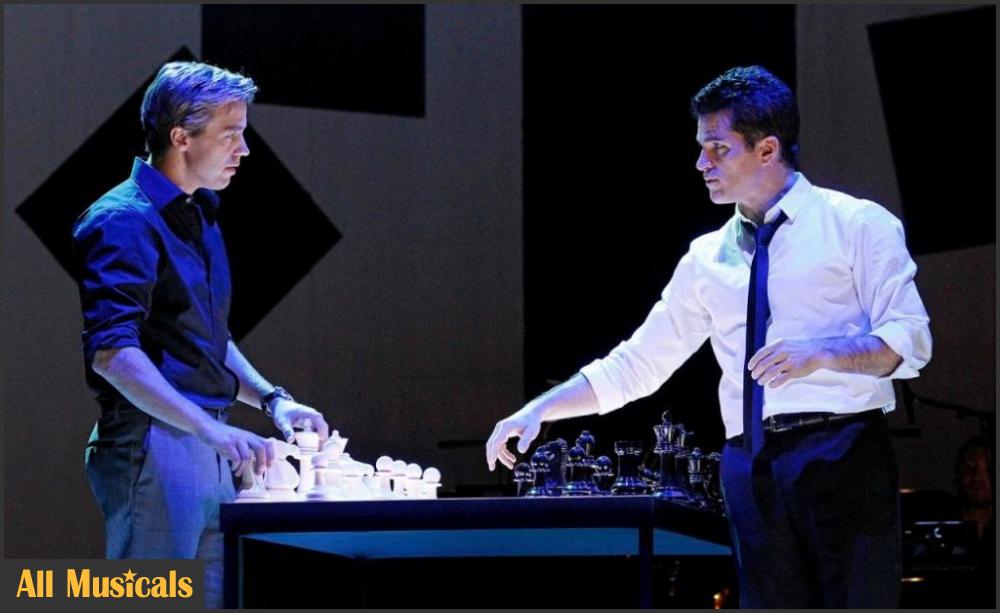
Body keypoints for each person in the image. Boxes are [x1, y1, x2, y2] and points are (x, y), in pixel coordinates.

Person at [486, 65, 932, 607]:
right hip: (749, 460)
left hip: (842, 449)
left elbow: (909, 341)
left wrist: (821, 354)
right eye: (701, 148)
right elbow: (639, 363)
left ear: (767, 150)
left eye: (718, 148)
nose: (701, 163)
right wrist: (541, 410)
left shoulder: (858, 225)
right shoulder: (706, 257)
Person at [72, 61, 330, 608]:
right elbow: (113, 354)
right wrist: (207, 429)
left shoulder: (199, 214)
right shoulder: (122, 219)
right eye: (230, 134)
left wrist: (273, 401)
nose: (244, 149)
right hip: (156, 441)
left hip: (206, 441)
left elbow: (209, 339)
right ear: (181, 137)